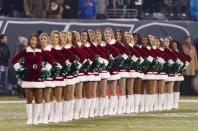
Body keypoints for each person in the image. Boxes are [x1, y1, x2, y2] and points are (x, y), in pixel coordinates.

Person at [12, 34, 45, 125]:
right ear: (29, 41)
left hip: (38, 79)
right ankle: (29, 119)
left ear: (37, 41)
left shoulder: (41, 51)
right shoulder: (25, 50)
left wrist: (45, 69)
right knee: (29, 100)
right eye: (32, 40)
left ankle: (35, 119)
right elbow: (14, 60)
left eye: (35, 40)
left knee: (38, 100)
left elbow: (50, 60)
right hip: (28, 79)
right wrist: (20, 70)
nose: (33, 41)